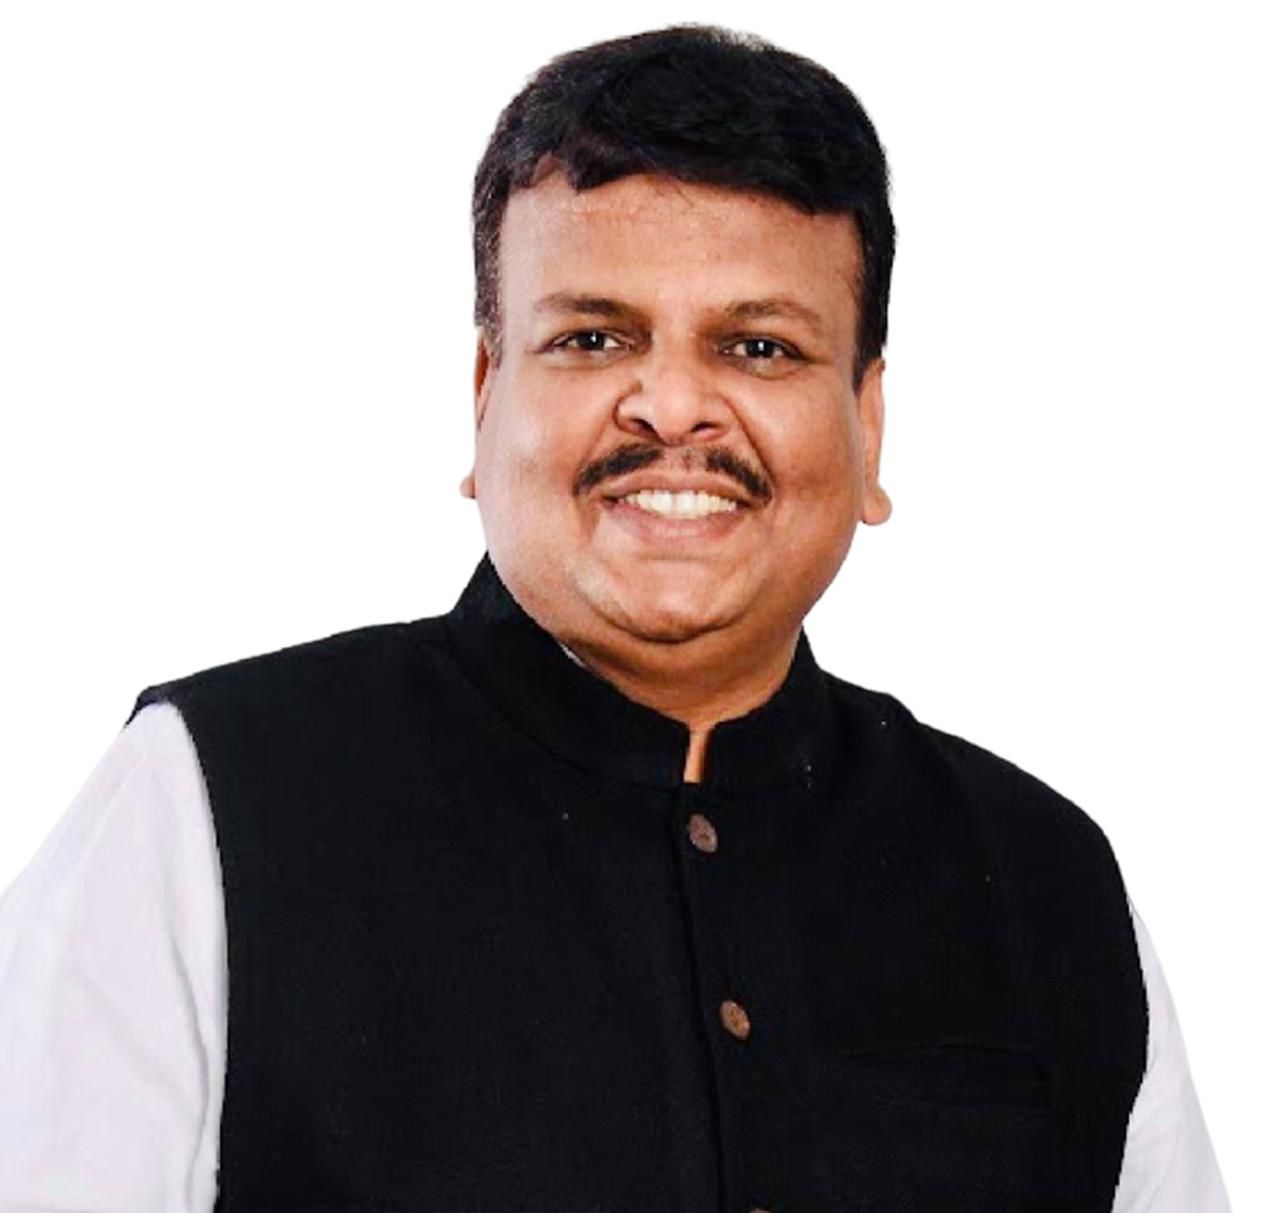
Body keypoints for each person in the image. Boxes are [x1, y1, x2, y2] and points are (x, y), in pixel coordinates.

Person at [0, 23, 1229, 1213]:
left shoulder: (1045, 885)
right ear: (484, 397)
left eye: (759, 347)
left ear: (868, 425)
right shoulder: (206, 804)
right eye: (592, 337)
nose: (672, 406)